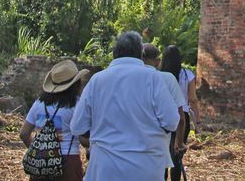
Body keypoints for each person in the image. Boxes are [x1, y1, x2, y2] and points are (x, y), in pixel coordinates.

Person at [70, 31, 180, 181]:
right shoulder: (153, 78)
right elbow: (172, 122)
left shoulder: (97, 80)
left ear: (114, 54)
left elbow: (77, 126)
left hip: (105, 168)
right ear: (140, 54)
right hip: (146, 167)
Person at [20, 59, 86, 181]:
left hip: (41, 164)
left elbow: (24, 134)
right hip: (68, 162)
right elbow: (84, 139)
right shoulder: (77, 104)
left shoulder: (39, 103)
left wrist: (38, 153)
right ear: (76, 84)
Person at [160, 45, 193, 181]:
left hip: (163, 116)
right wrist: (197, 120)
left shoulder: (158, 75)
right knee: (177, 153)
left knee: (162, 152)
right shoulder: (187, 74)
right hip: (182, 115)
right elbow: (193, 98)